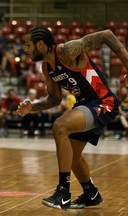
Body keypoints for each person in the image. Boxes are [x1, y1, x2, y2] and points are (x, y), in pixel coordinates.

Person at [16, 26, 128, 209]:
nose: (25, 49)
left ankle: (63, 193)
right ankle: (91, 194)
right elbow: (54, 99)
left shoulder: (68, 51)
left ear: (41, 45)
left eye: (28, 45)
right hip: (85, 105)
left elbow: (107, 35)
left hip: (103, 102)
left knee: (60, 126)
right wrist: (32, 108)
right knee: (73, 158)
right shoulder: (47, 67)